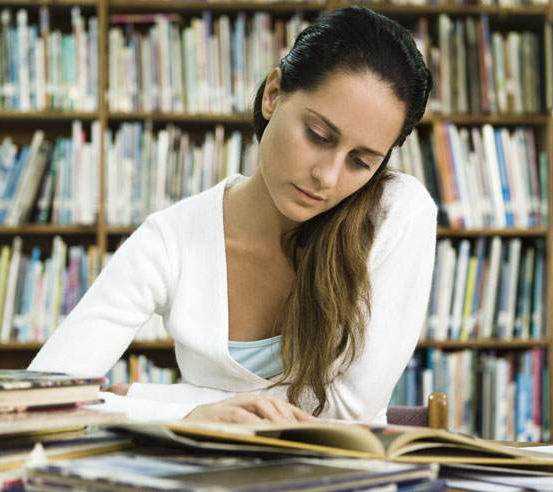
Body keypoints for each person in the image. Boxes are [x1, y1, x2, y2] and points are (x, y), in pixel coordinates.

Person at [28, 5, 436, 425]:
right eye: (317, 135)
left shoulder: (397, 214)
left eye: (361, 161)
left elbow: (350, 411)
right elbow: (44, 395)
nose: (326, 176)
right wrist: (196, 411)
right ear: (273, 94)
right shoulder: (171, 239)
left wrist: (148, 399)